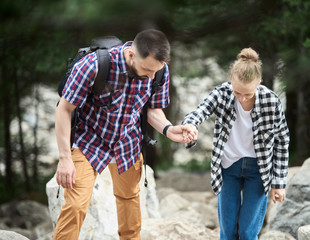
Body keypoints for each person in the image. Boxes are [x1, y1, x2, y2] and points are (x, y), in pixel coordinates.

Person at [54, 29, 196, 240]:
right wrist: (65, 158)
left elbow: (153, 110)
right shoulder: (93, 66)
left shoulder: (159, 71)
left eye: (154, 72)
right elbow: (64, 110)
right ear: (131, 54)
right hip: (89, 141)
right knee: (75, 205)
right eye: (146, 69)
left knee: (130, 202)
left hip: (127, 143)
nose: (150, 75)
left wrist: (168, 129)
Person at [182, 48, 290, 240]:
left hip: (259, 170)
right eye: (237, 92)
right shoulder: (222, 93)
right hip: (228, 168)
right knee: (228, 232)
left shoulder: (271, 101)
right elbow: (200, 111)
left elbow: (282, 140)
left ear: (259, 84)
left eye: (247, 94)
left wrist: (279, 182)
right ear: (231, 81)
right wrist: (190, 125)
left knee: (248, 233)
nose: (241, 98)